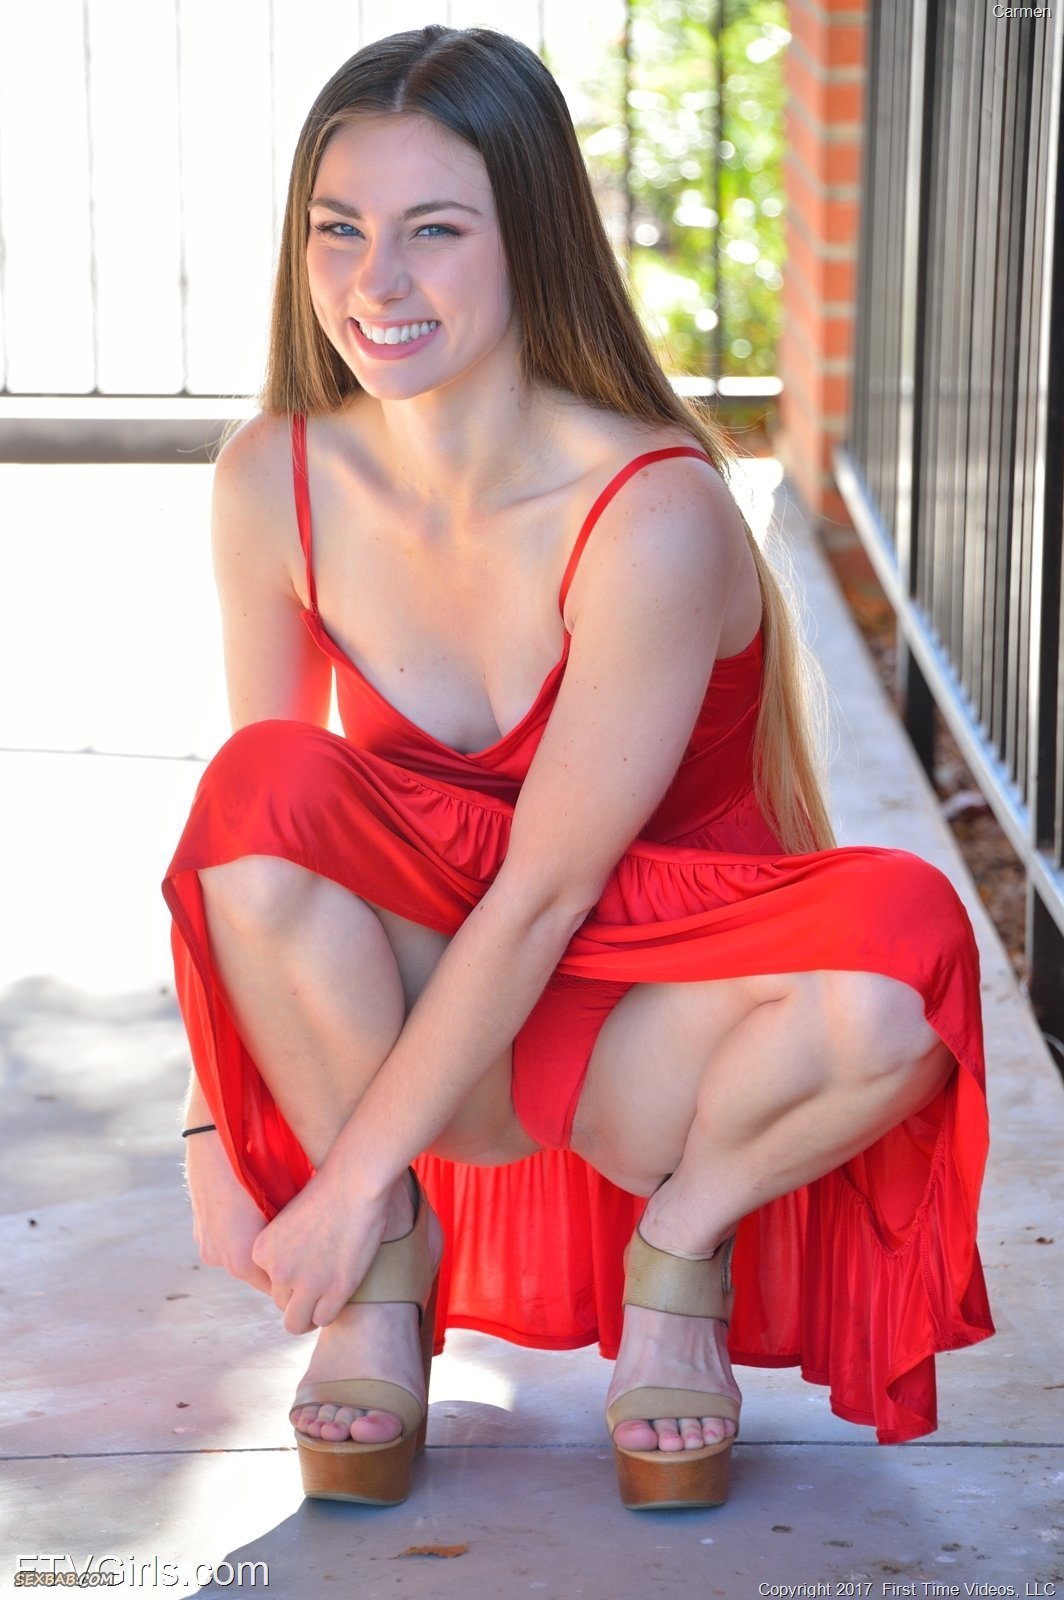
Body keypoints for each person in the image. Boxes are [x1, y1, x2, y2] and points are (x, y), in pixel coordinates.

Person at [163, 24, 993, 1512]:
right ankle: (388, 1275)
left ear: (533, 236)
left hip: (648, 1030)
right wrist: (214, 1122)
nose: (375, 283)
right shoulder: (274, 477)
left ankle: (678, 1259)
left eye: (434, 230)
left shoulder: (650, 507)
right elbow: (253, 863)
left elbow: (550, 892)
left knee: (904, 953)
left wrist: (333, 1183)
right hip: (434, 994)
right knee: (262, 783)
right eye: (339, 230)